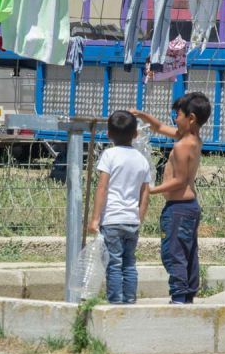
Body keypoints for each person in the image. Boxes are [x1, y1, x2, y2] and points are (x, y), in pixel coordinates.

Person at [131, 92, 211, 304]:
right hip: (189, 207)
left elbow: (180, 181)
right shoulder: (191, 139)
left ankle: (178, 296)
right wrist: (142, 115)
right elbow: (159, 128)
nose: (175, 119)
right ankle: (187, 295)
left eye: (178, 115)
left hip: (178, 209)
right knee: (189, 251)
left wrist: (150, 190)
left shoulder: (182, 145)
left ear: (190, 118)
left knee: (173, 252)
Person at [88, 110, 152, 304]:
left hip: (112, 220)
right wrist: (139, 217)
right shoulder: (142, 159)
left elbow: (102, 188)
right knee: (129, 264)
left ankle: (115, 302)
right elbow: (145, 193)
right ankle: (130, 300)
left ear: (108, 134)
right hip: (132, 221)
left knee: (114, 264)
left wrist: (95, 219)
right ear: (136, 134)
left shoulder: (109, 155)